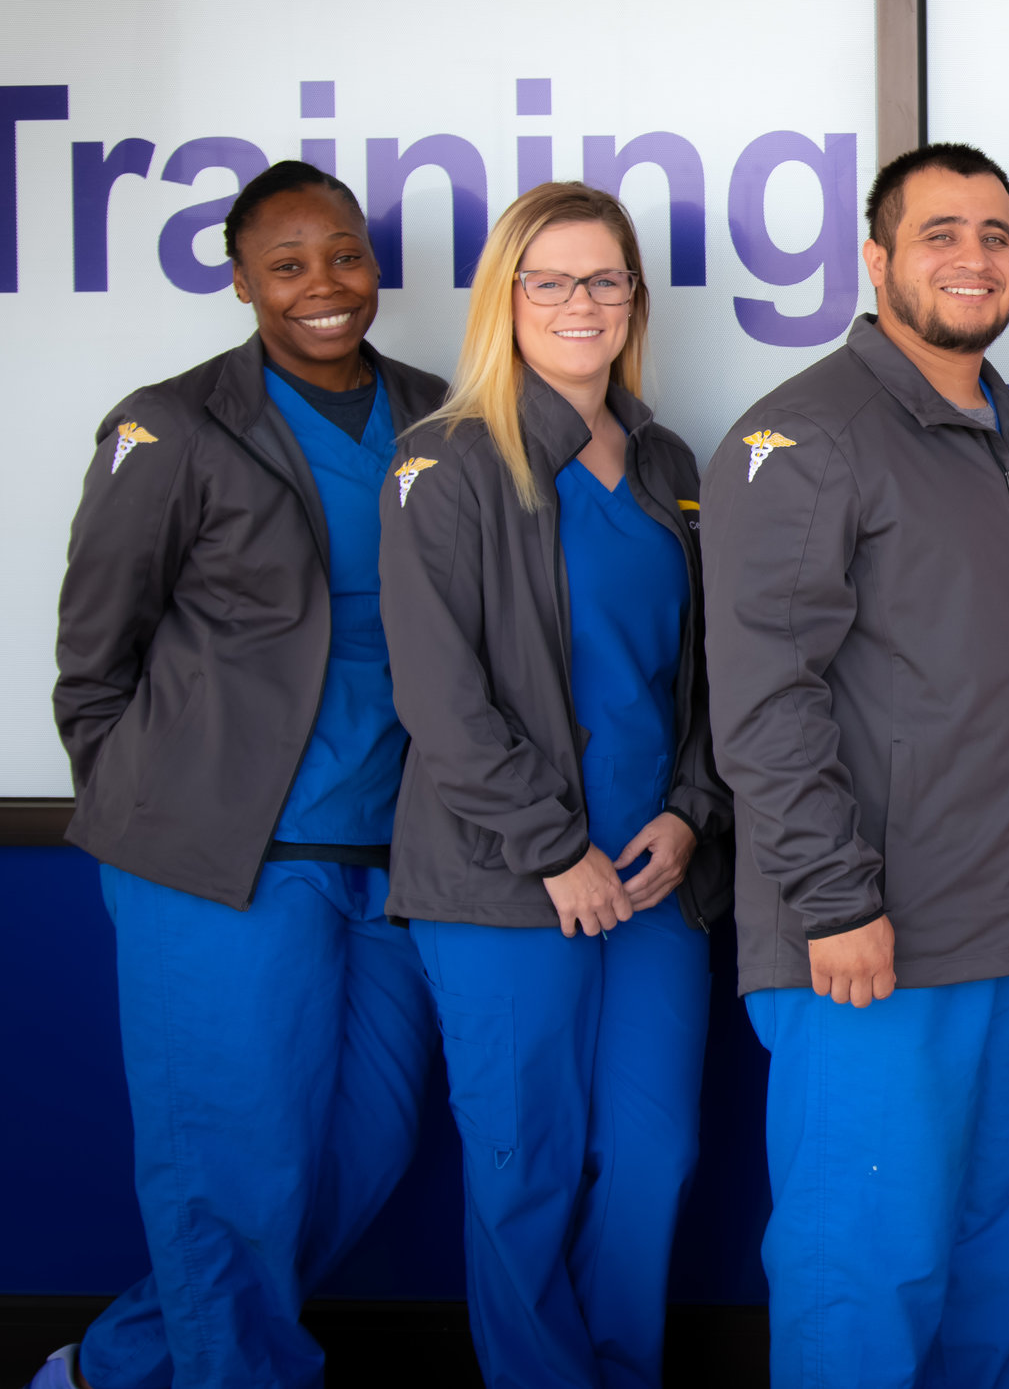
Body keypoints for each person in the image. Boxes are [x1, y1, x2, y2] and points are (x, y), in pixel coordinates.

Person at [701, 141, 1009, 1389]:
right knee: (865, 1267)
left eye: (996, 234)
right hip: (874, 943)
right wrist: (834, 900)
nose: (974, 256)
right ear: (876, 257)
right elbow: (765, 700)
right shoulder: (804, 437)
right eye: (941, 231)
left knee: (994, 1259)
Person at [40, 162, 446, 1389]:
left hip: (395, 854)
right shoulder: (169, 424)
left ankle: (115, 1367)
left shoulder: (446, 412)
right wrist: (157, 807)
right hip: (220, 862)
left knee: (360, 1152)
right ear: (241, 282)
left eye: (344, 255)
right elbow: (92, 651)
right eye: (288, 264)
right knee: (227, 1167)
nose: (323, 285)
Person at [377, 182, 729, 1389]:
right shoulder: (447, 461)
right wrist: (549, 845)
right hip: (501, 876)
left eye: (605, 280)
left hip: (651, 873)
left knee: (651, 1155)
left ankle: (620, 1369)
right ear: (507, 299)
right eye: (552, 280)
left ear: (635, 300)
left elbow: (709, 678)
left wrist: (690, 812)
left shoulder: (671, 463)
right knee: (525, 1162)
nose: (582, 303)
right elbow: (439, 690)